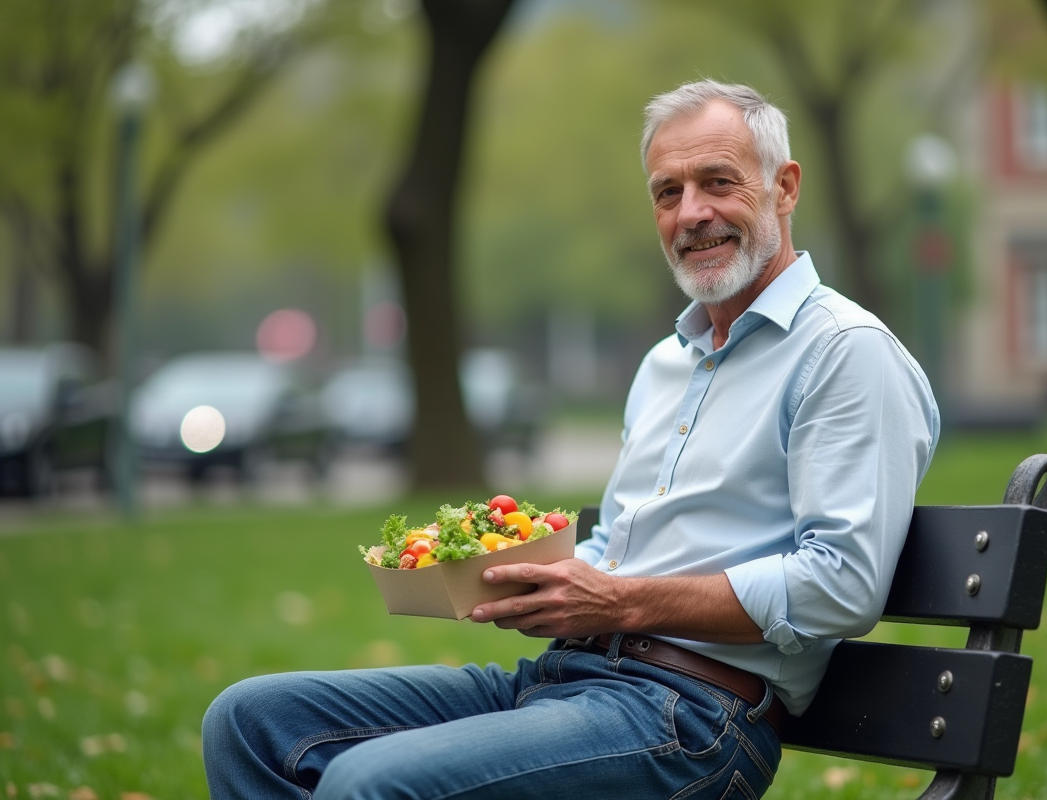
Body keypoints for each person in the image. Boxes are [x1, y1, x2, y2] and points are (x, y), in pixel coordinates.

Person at [202, 79, 940, 800]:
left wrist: (618, 603)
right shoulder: (663, 365)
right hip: (564, 680)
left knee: (370, 782)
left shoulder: (845, 353)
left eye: (718, 181)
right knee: (249, 722)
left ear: (784, 187)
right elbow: (615, 551)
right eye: (667, 192)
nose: (692, 213)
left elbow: (841, 586)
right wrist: (521, 578)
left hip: (693, 721)